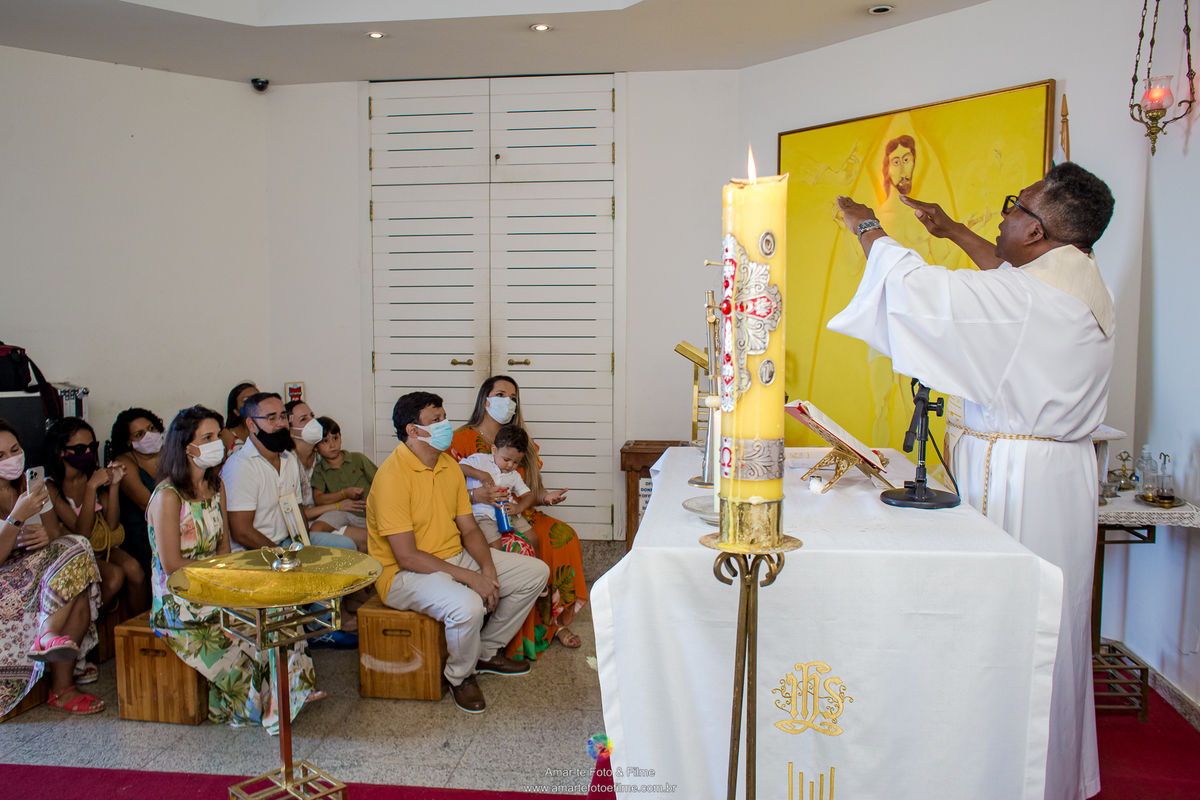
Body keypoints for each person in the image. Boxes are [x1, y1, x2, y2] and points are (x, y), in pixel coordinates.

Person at [829, 161, 1116, 800]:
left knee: (1005, 631)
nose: (1005, 215)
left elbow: (922, 293)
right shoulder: (1075, 279)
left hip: (1018, 481)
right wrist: (954, 230)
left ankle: (996, 775)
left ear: (1038, 232)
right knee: (1048, 630)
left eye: (1017, 205)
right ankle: (1044, 771)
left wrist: (868, 228)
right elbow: (1005, 278)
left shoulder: (1031, 300)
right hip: (1056, 478)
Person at [367, 392, 549, 713]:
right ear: (413, 430)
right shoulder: (391, 477)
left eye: (444, 417)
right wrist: (471, 578)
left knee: (536, 573)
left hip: (453, 557)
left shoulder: (448, 466)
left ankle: (486, 652)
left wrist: (487, 570)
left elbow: (469, 529)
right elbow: (406, 556)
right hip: (403, 574)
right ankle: (460, 677)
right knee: (468, 606)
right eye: (436, 420)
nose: (446, 425)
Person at [147, 405, 319, 730]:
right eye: (207, 438)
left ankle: (290, 692)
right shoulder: (168, 496)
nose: (218, 443)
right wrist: (221, 578)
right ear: (186, 446)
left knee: (279, 608)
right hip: (181, 600)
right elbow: (172, 565)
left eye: (217, 436)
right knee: (246, 634)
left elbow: (224, 548)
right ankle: (262, 703)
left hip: (216, 583)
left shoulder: (216, 487)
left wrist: (237, 582)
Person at [450, 376, 583, 657]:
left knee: (563, 537)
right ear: (485, 399)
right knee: (514, 547)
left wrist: (546, 497)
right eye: (500, 395)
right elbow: (443, 490)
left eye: (513, 398)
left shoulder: (522, 441)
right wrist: (476, 496)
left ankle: (552, 624)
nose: (507, 402)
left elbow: (532, 490)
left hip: (518, 513)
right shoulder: (460, 440)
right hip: (476, 519)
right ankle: (503, 633)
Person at [220, 392, 357, 647]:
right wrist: (284, 556)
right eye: (271, 418)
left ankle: (319, 620)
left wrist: (304, 545)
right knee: (306, 562)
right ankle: (314, 625)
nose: (280, 423)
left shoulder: (288, 459)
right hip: (254, 551)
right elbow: (240, 532)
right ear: (251, 425)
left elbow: (296, 510)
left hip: (286, 542)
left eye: (283, 416)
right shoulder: (241, 466)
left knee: (345, 548)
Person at [0, 419, 104, 716]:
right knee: (77, 582)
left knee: (77, 547)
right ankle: (61, 683)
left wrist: (46, 536)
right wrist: (17, 517)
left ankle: (50, 643)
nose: (11, 459)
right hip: (6, 576)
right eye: (0, 456)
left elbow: (57, 536)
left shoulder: (31, 484)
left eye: (14, 450)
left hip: (35, 565)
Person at [45, 417, 148, 685]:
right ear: (61, 451)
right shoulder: (52, 487)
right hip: (76, 555)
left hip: (101, 548)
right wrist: (91, 487)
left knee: (135, 570)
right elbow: (81, 532)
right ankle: (79, 636)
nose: (89, 453)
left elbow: (112, 525)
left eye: (93, 447)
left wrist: (113, 486)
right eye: (80, 449)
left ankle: (142, 633)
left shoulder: (94, 476)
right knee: (114, 576)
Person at [286, 404, 367, 553]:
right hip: (303, 526)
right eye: (303, 419)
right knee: (363, 540)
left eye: (312, 415)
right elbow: (294, 514)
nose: (312, 422)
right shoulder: (287, 463)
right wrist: (338, 506)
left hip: (330, 517)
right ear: (290, 431)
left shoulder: (323, 457)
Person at [111, 407, 166, 593]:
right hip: (141, 532)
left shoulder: (170, 454)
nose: (149, 436)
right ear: (129, 442)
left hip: (176, 522)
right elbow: (147, 504)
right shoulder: (125, 462)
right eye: (139, 434)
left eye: (151, 428)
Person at [458, 424, 537, 554]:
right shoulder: (480, 460)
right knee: (495, 546)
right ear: (494, 450)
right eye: (506, 459)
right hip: (484, 514)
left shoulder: (514, 475)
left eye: (516, 462)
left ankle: (536, 565)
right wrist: (480, 474)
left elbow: (529, 496)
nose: (510, 465)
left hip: (508, 513)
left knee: (533, 538)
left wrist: (518, 508)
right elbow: (459, 468)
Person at [219, 381, 258, 456]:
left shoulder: (269, 430)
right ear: (236, 411)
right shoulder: (226, 435)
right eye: (246, 400)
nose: (254, 403)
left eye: (258, 398)